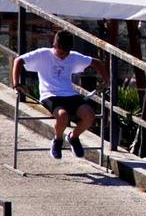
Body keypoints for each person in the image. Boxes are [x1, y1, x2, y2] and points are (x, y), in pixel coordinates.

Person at [10, 30, 109, 159]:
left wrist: (106, 81)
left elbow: (97, 62)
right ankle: (57, 141)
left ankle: (73, 137)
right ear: (54, 45)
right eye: (61, 53)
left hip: (70, 94)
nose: (63, 56)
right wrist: (16, 84)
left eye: (66, 53)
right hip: (49, 94)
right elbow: (18, 60)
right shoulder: (42, 54)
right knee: (63, 116)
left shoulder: (72, 56)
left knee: (89, 115)